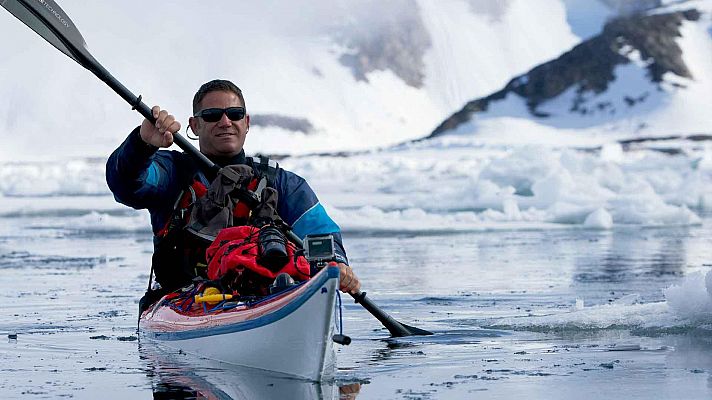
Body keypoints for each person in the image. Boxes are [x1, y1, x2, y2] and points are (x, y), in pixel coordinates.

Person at [106, 79, 359, 299]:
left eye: (235, 114)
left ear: (246, 122)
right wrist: (142, 144)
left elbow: (318, 231)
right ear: (194, 126)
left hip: (261, 295)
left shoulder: (280, 183)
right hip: (183, 298)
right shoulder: (171, 173)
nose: (225, 122)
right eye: (213, 115)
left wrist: (336, 264)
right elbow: (126, 184)